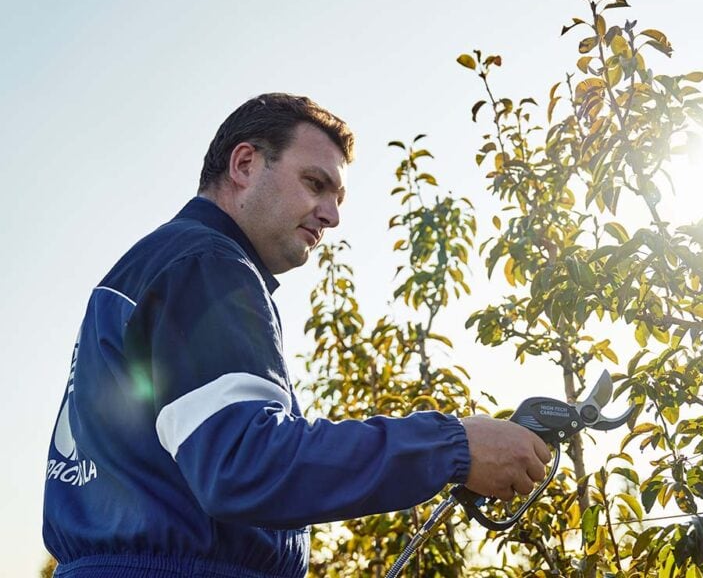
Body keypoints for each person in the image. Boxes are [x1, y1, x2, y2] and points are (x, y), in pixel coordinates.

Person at [42, 93, 552, 578]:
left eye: (338, 196)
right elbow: (245, 463)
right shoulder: (209, 265)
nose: (332, 215)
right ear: (244, 166)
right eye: (315, 183)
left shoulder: (153, 267)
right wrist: (453, 446)